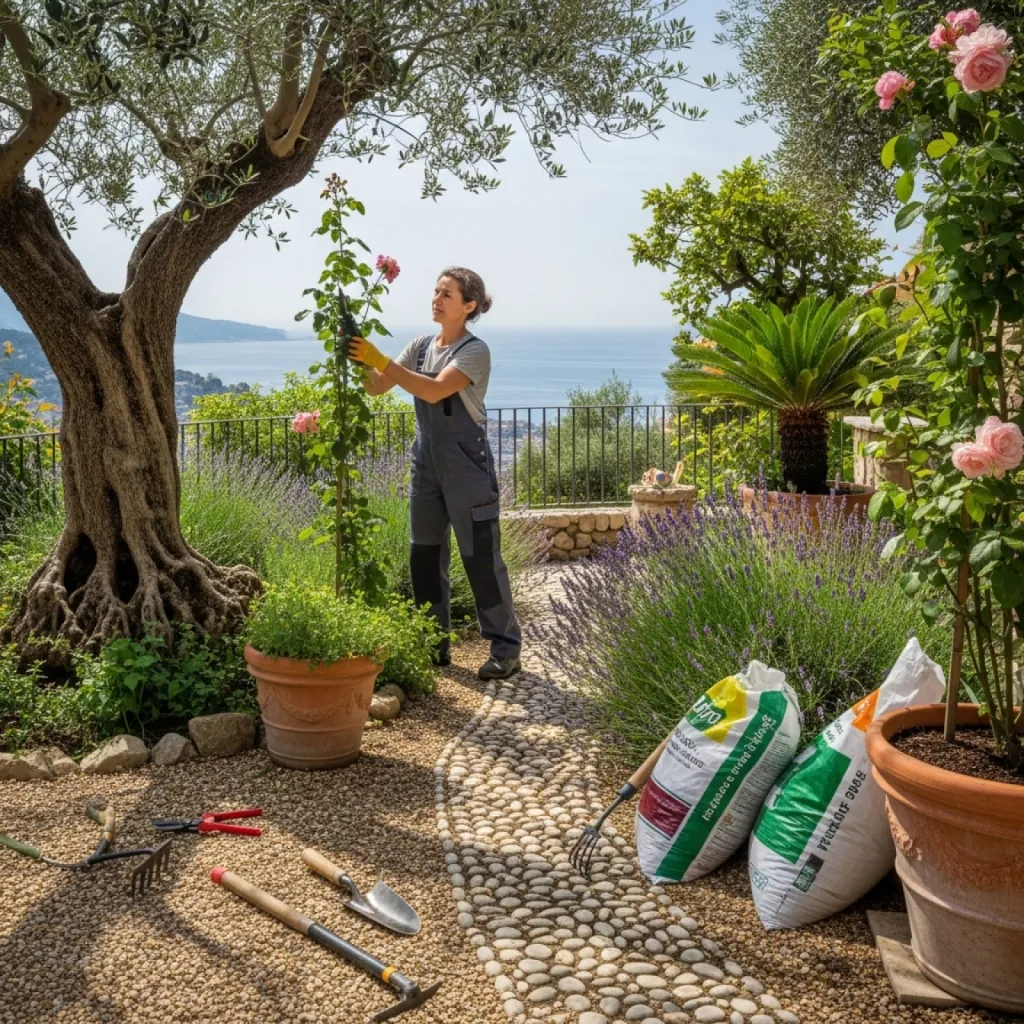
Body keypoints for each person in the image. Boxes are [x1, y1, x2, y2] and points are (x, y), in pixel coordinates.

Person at [347, 267, 522, 681]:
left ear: (469, 305)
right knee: (424, 556)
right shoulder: (420, 346)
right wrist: (357, 358)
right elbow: (376, 387)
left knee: (481, 558)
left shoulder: (474, 351)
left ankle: (505, 650)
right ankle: (432, 644)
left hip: (467, 466)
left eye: (447, 294)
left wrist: (381, 359)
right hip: (425, 463)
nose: (437, 298)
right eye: (436, 291)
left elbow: (432, 390)